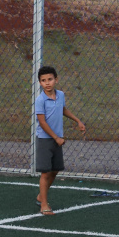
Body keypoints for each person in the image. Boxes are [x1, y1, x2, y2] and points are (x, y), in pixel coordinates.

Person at [35, 65, 86, 215]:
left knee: (55, 169)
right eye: (43, 80)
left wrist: (78, 121)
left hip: (58, 139)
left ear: (56, 80)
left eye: (50, 79)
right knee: (45, 173)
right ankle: (44, 204)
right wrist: (55, 137)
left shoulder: (61, 95)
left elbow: (63, 109)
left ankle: (40, 195)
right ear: (40, 83)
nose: (47, 83)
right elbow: (42, 122)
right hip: (46, 140)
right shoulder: (40, 100)